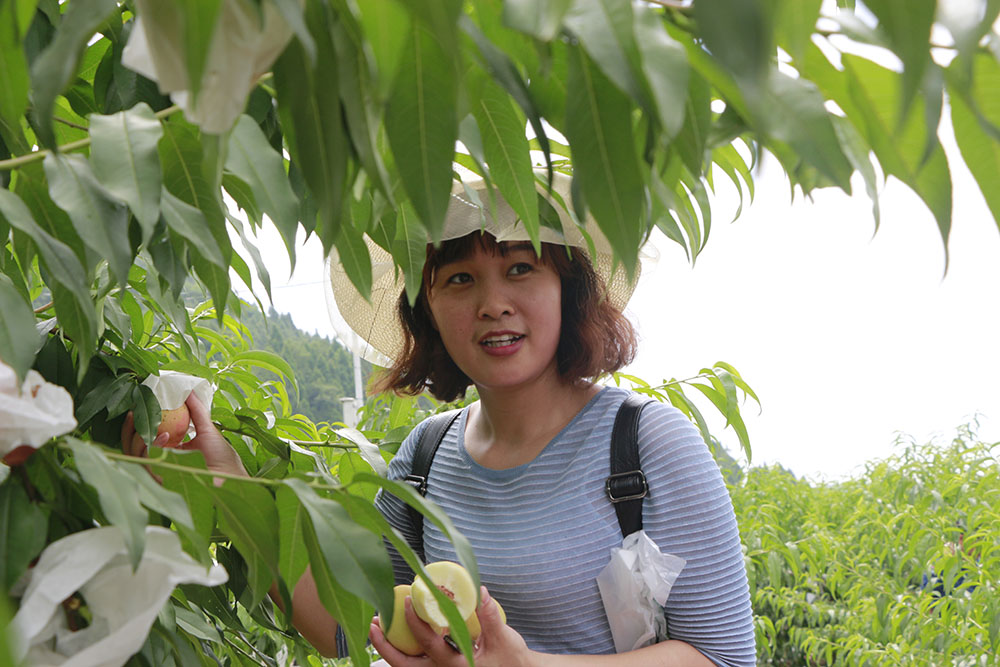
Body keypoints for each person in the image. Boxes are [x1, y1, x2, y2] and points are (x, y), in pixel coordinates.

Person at [126, 171, 757, 666]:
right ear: (424, 310)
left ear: (569, 289)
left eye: (520, 268)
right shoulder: (427, 457)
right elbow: (346, 625)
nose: (493, 304)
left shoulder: (647, 444)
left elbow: (723, 656)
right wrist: (226, 485)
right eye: (458, 279)